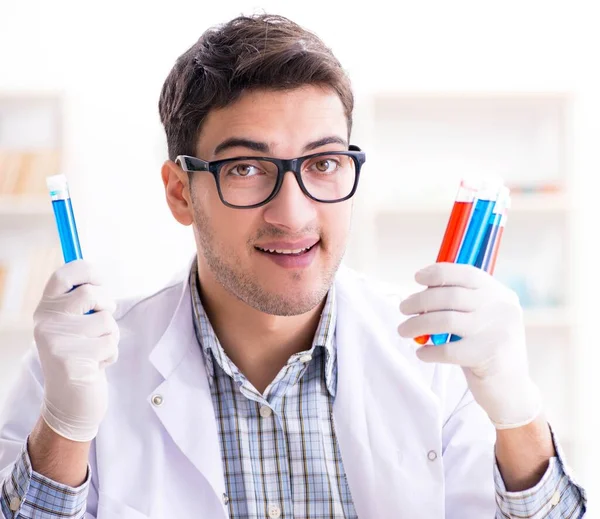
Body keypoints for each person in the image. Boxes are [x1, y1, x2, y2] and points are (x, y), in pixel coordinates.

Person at [0, 13, 587, 519]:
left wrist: (519, 413)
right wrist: (65, 430)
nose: (294, 212)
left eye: (324, 163)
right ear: (181, 192)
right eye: (246, 169)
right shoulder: (78, 370)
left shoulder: (440, 362)